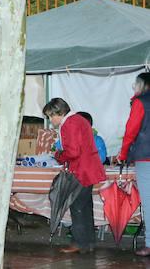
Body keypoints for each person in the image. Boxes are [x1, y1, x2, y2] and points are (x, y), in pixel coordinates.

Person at [44, 97, 104, 254]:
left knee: (77, 207)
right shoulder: (79, 119)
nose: (51, 120)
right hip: (88, 170)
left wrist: (59, 156)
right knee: (85, 207)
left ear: (59, 112)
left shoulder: (68, 124)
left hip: (80, 171)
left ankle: (79, 242)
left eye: (51, 116)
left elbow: (73, 152)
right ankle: (88, 241)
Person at [116, 72, 150, 256]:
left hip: (146, 157)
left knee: (149, 202)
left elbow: (131, 131)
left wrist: (123, 154)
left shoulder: (141, 101)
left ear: (142, 84)